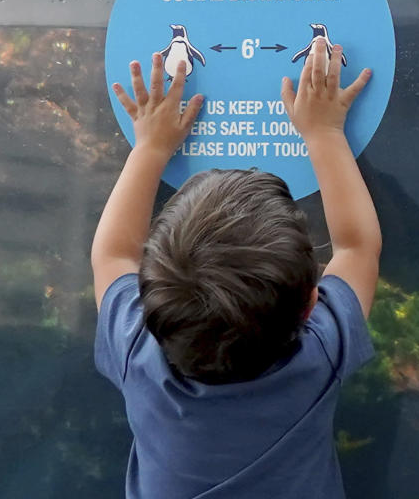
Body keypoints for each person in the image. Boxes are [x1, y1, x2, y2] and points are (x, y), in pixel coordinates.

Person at [90, 38, 381, 498]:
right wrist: (324, 133)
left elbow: (111, 254)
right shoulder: (318, 357)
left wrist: (149, 146)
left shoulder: (136, 354)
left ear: (150, 303)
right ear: (311, 304)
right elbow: (358, 247)